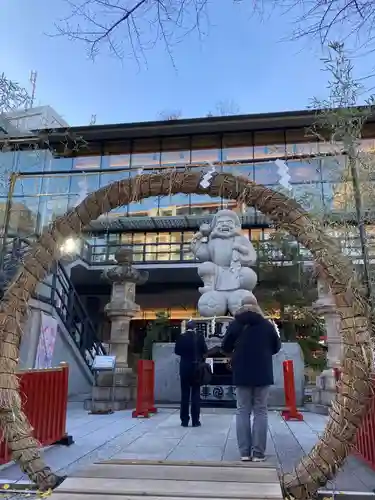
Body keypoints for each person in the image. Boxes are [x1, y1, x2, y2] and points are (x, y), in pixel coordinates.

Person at [221, 302, 281, 462]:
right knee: (261, 411)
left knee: (242, 411)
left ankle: (244, 453)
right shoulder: (267, 325)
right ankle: (258, 453)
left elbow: (224, 346)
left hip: (242, 373)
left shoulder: (236, 324)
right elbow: (276, 347)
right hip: (263, 373)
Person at [175, 320, 208, 427]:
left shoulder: (181, 337)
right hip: (196, 368)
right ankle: (195, 420)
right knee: (195, 394)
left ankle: (184, 420)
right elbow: (205, 350)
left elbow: (177, 351)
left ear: (186, 327)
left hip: (184, 367)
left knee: (184, 394)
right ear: (195, 328)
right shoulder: (199, 337)